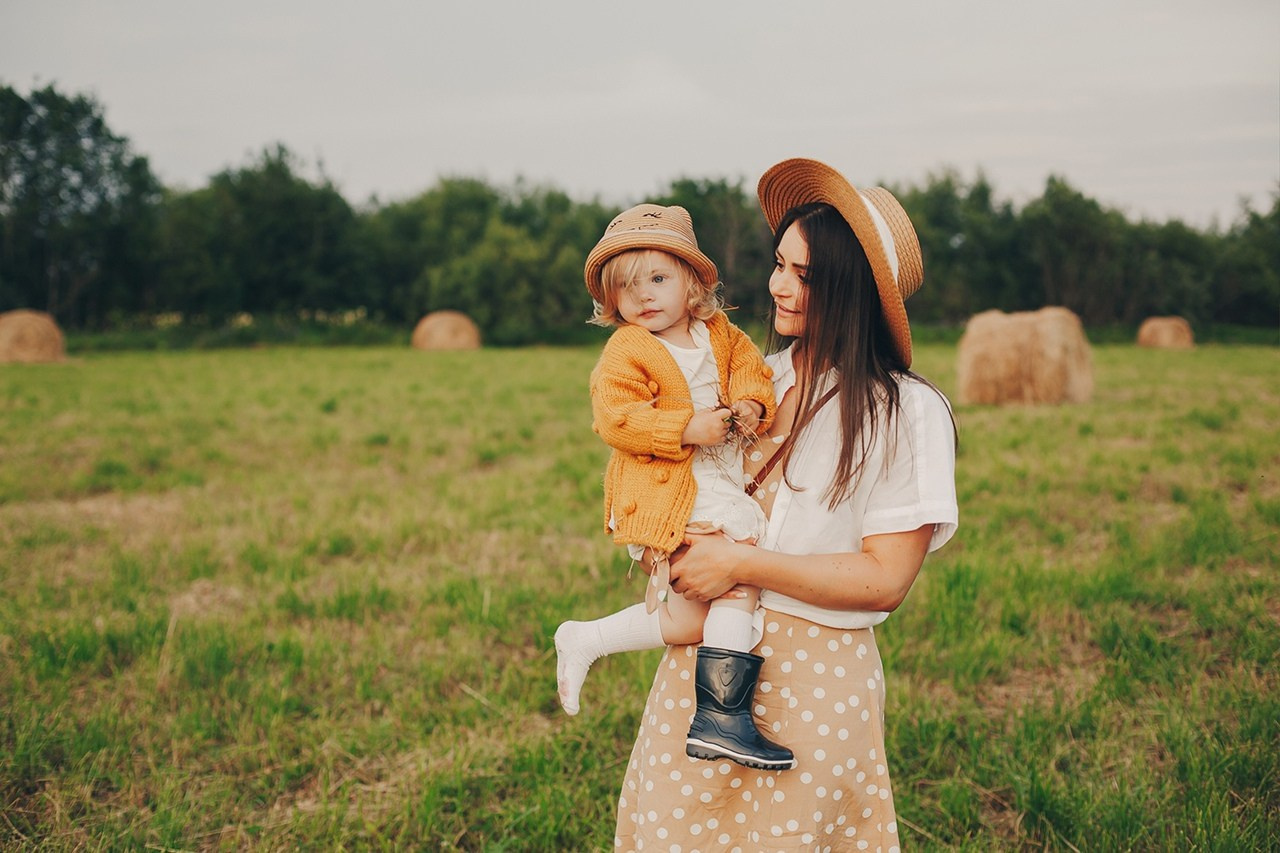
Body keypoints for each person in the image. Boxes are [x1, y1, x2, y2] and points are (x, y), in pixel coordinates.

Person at [613, 159, 959, 850]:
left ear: (854, 291)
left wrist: (741, 561)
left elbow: (886, 577)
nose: (779, 286)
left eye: (807, 275)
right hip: (703, 662)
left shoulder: (907, 412)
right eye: (779, 263)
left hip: (815, 678)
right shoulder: (750, 382)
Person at [555, 203, 797, 771]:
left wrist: (748, 405)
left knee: (692, 621)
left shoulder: (720, 333)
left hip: (715, 488)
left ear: (694, 282)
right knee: (737, 579)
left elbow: (753, 373)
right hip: (664, 495)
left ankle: (586, 638)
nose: (643, 298)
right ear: (611, 301)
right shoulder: (628, 349)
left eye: (658, 279)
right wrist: (685, 427)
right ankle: (722, 719)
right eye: (626, 289)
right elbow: (614, 418)